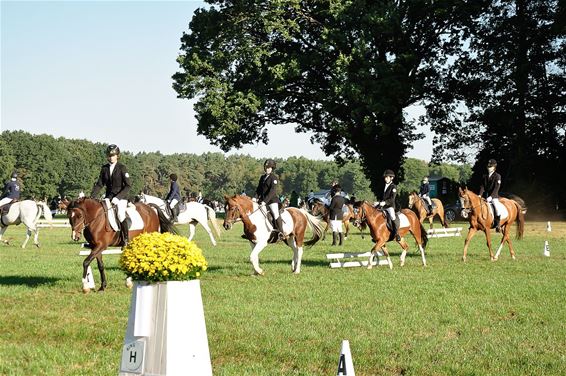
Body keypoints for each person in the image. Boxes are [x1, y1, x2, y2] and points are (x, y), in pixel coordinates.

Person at [90, 144, 132, 245]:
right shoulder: (104, 168)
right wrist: (91, 197)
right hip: (108, 197)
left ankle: (126, 239)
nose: (111, 157)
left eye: (113, 155)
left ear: (117, 156)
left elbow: (128, 186)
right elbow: (100, 184)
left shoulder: (122, 168)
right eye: (109, 155)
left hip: (121, 198)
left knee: (120, 215)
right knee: (101, 212)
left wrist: (118, 198)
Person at [255, 159, 285, 239]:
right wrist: (255, 198)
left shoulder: (273, 178)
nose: (267, 169)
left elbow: (272, 191)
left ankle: (281, 232)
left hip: (272, 200)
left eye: (269, 168)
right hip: (262, 201)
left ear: (272, 169)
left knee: (275, 213)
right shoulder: (262, 177)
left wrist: (265, 201)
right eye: (266, 167)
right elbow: (258, 189)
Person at [376, 169, 400, 241]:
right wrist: (379, 202)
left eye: (387, 177)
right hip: (383, 205)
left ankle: (396, 233)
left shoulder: (393, 187)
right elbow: (382, 196)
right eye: (385, 178)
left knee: (392, 216)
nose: (385, 179)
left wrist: (385, 202)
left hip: (390, 206)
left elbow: (392, 198)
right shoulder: (384, 186)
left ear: (391, 178)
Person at [478, 159, 502, 232]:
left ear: (494, 167)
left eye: (490, 166)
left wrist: (491, 197)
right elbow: (482, 187)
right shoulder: (484, 176)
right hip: (485, 196)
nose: (489, 168)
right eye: (488, 166)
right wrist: (479, 195)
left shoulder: (497, 176)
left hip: (494, 196)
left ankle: (498, 224)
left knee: (497, 208)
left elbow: (496, 188)